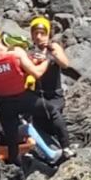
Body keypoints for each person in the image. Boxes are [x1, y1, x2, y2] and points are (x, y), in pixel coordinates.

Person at [0, 23, 54, 168]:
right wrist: (45, 59)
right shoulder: (13, 54)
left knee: (16, 135)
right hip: (9, 119)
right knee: (29, 127)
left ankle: (19, 173)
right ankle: (51, 154)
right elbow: (34, 74)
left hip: (0, 121)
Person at [27, 16, 72, 154]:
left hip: (54, 95)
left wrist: (49, 57)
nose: (39, 37)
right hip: (37, 95)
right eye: (36, 33)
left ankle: (66, 146)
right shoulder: (30, 50)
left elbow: (65, 63)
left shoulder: (53, 47)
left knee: (53, 114)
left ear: (48, 34)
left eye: (43, 33)